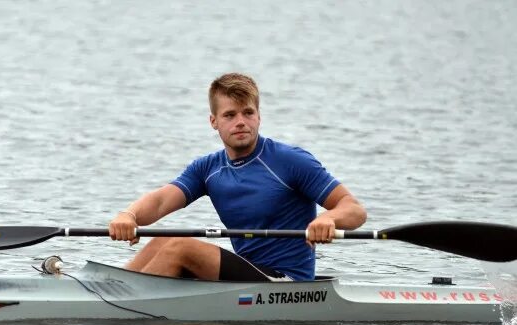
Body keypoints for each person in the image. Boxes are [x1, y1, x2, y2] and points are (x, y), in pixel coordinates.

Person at [108, 73, 367, 281]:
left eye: (248, 113)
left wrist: (329, 218)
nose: (241, 122)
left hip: (286, 281)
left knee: (179, 247)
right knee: (160, 242)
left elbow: (354, 210)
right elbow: (161, 201)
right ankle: (114, 295)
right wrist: (128, 215)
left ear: (259, 116)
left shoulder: (290, 161)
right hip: (247, 272)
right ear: (214, 121)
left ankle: (129, 311)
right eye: (230, 115)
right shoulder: (208, 168)